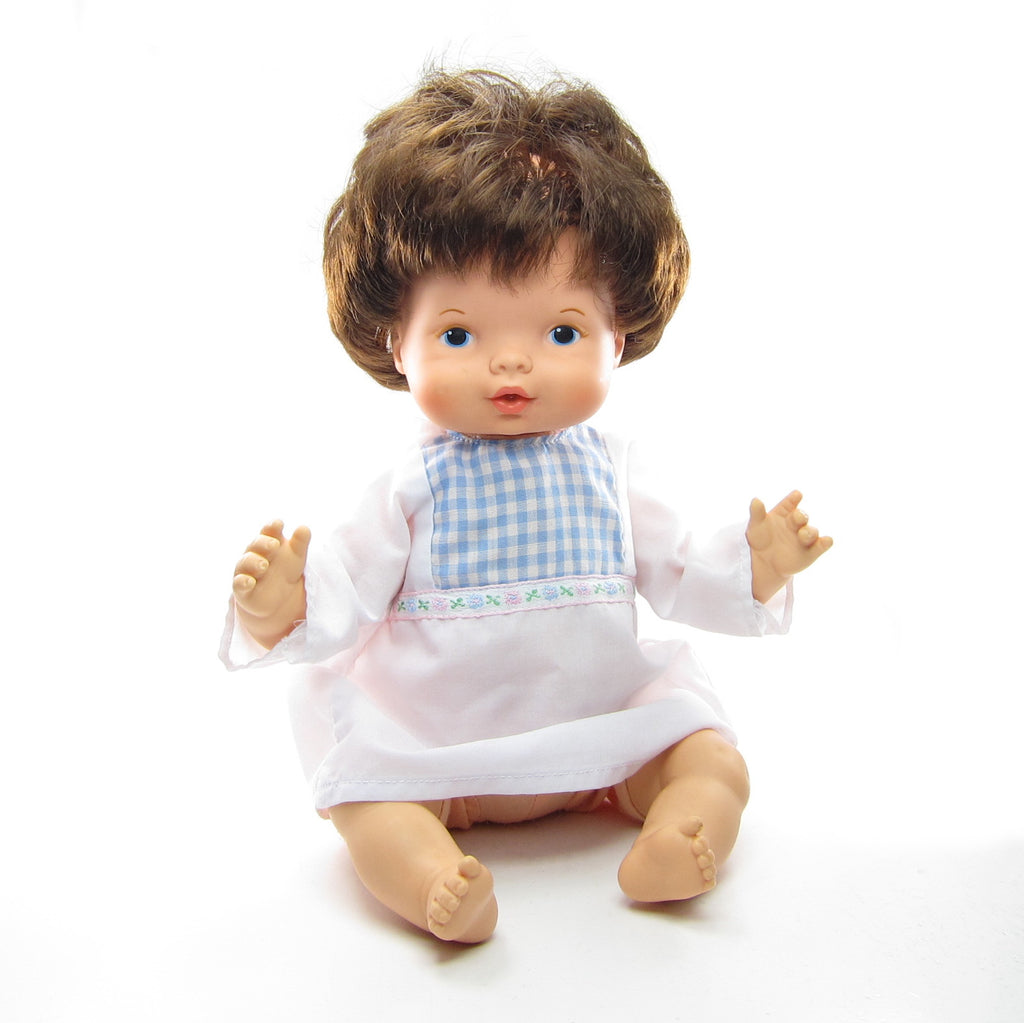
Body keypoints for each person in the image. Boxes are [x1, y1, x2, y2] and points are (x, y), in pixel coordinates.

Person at [221, 69, 832, 944]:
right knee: (365, 796)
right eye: (459, 333)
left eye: (562, 332)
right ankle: (431, 877)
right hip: (436, 751)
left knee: (708, 751)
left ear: (619, 335)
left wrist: (754, 564)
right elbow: (347, 586)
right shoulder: (410, 486)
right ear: (397, 341)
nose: (512, 364)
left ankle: (683, 827)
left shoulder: (614, 472)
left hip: (604, 735)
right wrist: (285, 604)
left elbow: (680, 571)